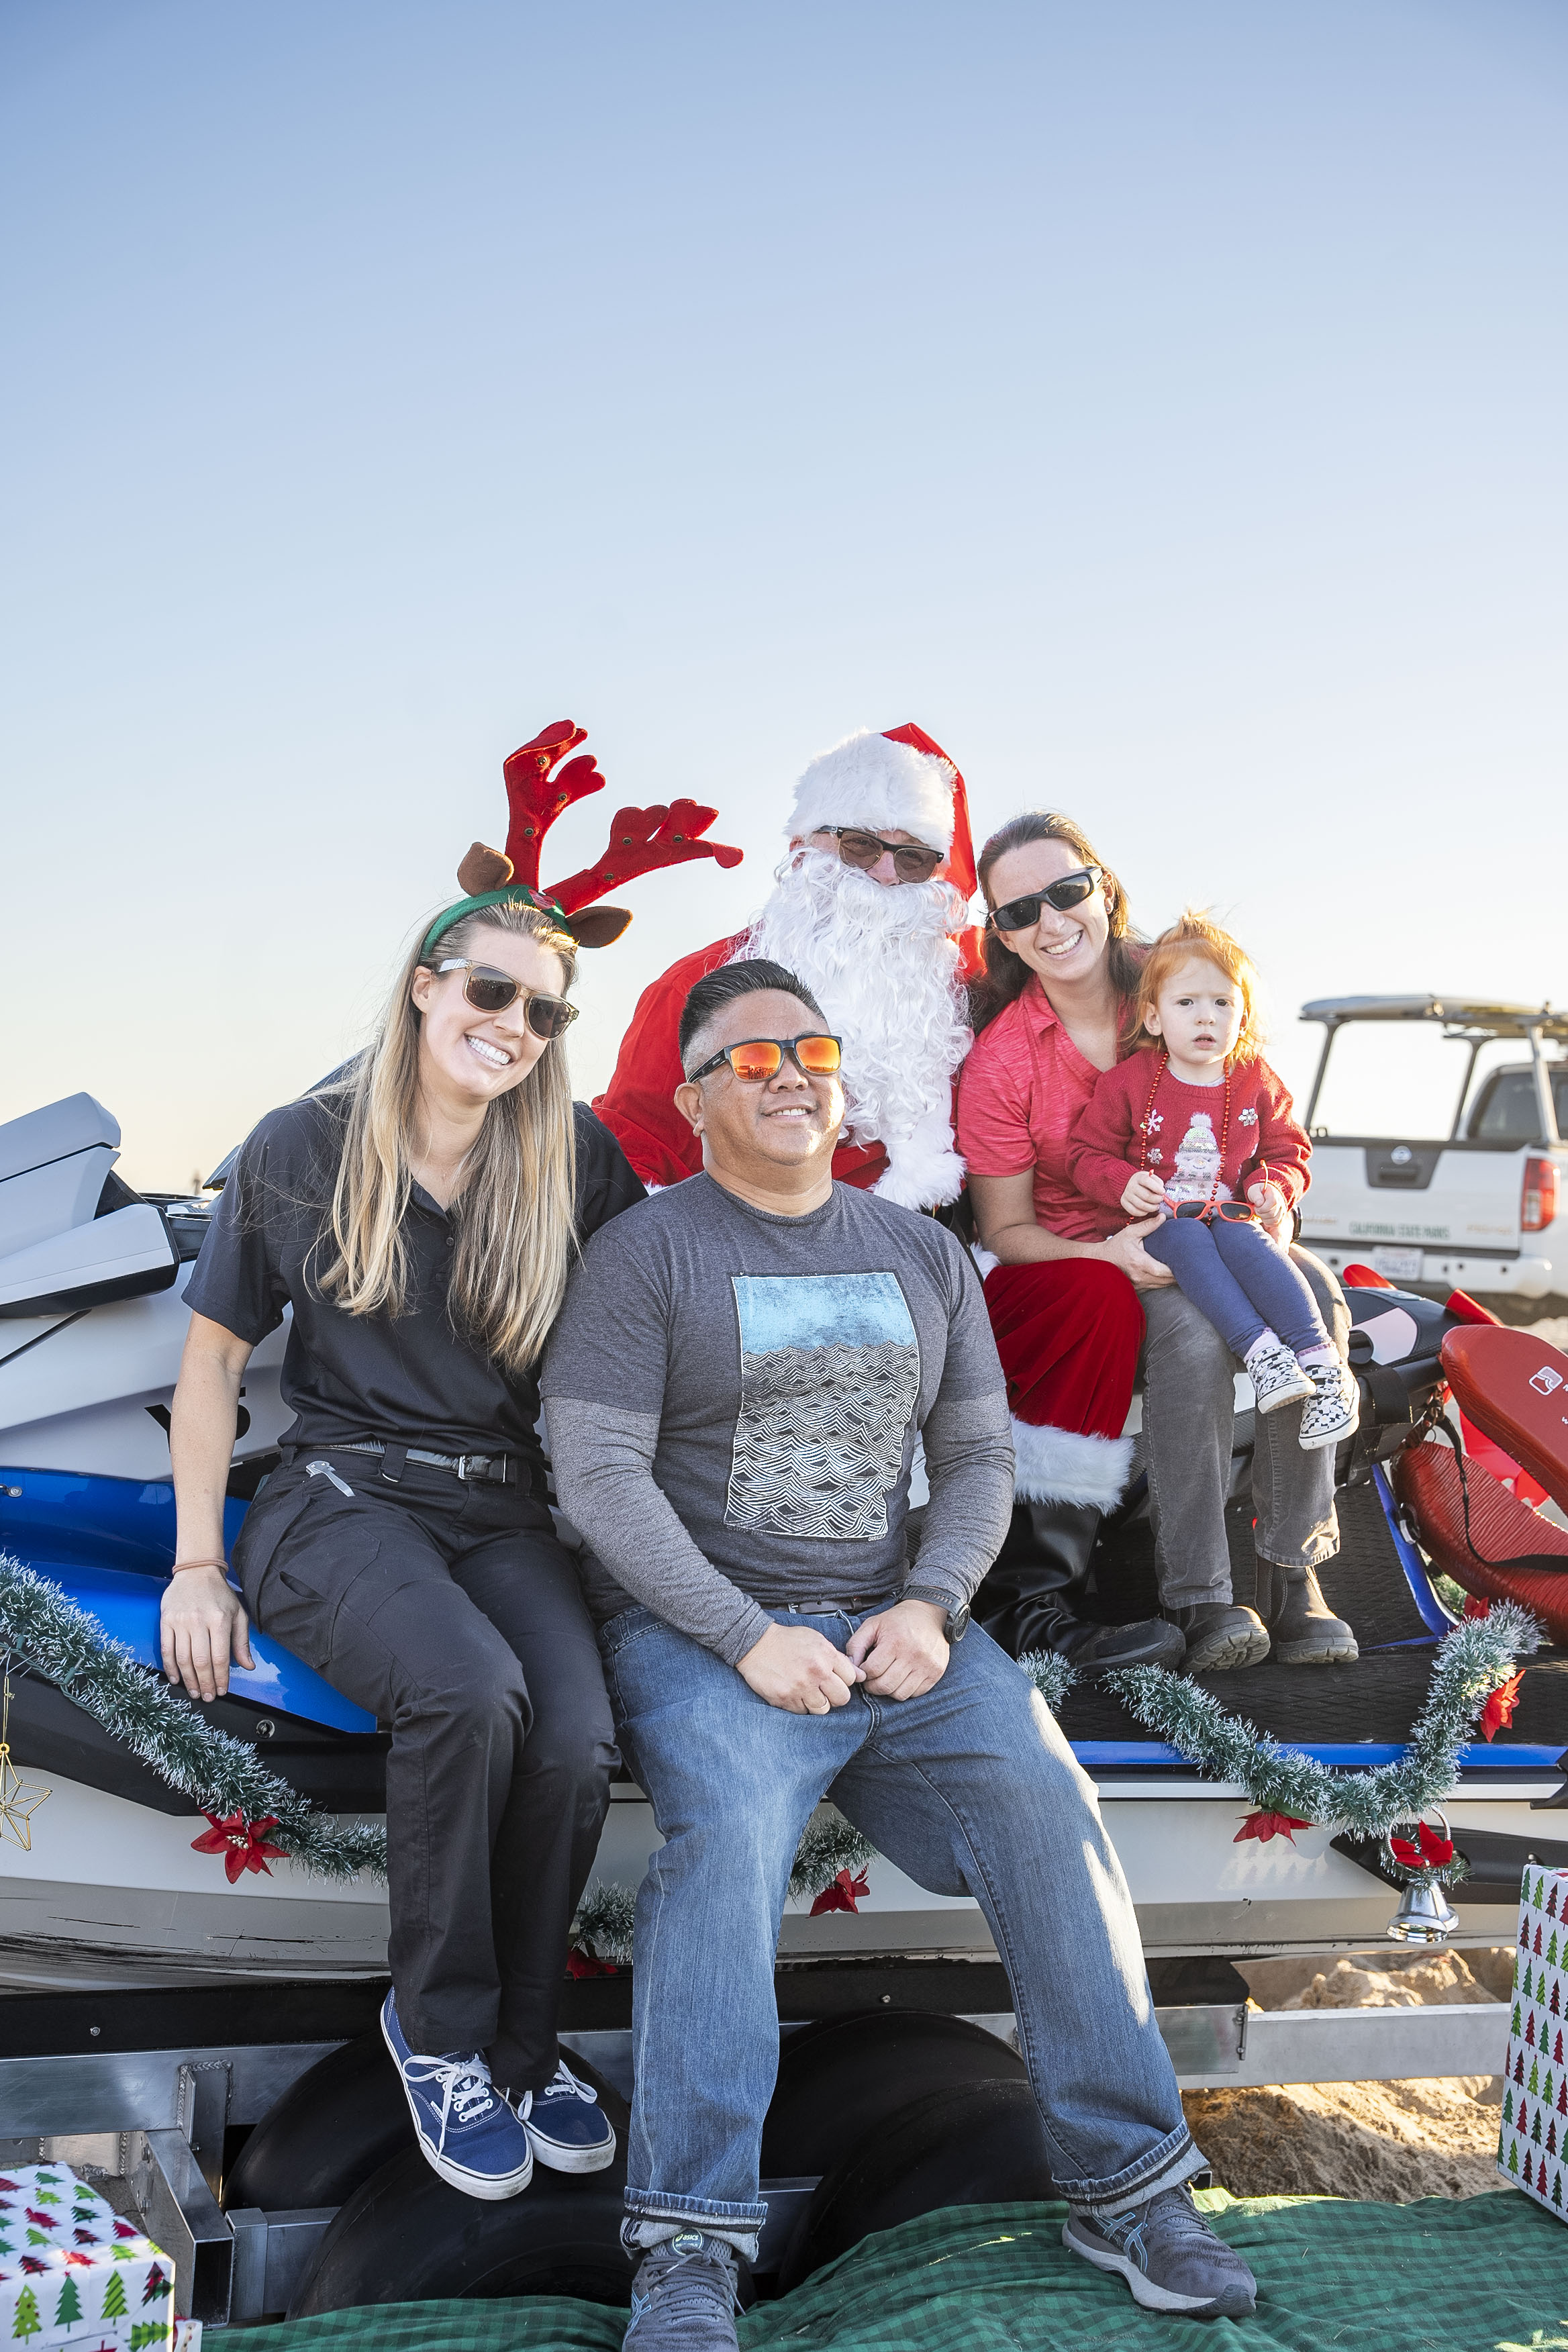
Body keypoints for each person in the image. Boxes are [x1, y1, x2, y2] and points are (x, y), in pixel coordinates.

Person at [542, 956, 1259, 2345]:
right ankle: (690, 2245)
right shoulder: (647, 1253)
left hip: (898, 1630)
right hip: (710, 1637)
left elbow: (978, 1457)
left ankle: (1128, 2187)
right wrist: (745, 1638)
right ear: (696, 1098)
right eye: (754, 1059)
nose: (794, 1074)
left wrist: (933, 1605)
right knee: (726, 1852)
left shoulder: (918, 1250)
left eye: (810, 1049)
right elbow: (599, 1481)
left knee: (1051, 1808)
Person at [162, 883, 644, 2202]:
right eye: (490, 990)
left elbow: (648, 1340)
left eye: (544, 1009)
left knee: (573, 1731)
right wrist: (197, 1562)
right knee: (465, 1688)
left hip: (503, 1506)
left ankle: (527, 2047)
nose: (513, 1024)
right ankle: (436, 2037)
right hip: (341, 1497)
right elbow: (210, 1370)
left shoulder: (575, 1159)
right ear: (427, 983)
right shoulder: (302, 1145)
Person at [957, 812, 1355, 1674]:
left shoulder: (1182, 976)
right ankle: (1202, 1594)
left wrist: (1276, 1196)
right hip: (1102, 1262)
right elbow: (1005, 1231)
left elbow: (1269, 1120)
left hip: (1220, 1226)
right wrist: (1107, 1259)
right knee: (1187, 1330)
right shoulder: (1003, 1063)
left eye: (1066, 892)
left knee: (1320, 1294)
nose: (1051, 922)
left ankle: (1296, 1572)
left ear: (1104, 889)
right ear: (1003, 937)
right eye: (1019, 912)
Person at [595, 723, 976, 1210]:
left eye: (915, 860)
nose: (885, 875)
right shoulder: (693, 987)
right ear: (801, 848)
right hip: (738, 1248)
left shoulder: (950, 990)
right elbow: (635, 1153)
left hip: (917, 1250)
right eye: (860, 845)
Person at [1069, 910, 1360, 1455]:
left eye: (1222, 1002)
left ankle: (1321, 1366)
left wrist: (1274, 1186)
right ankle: (1262, 1352)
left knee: (1246, 1239)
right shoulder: (1131, 1080)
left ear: (1242, 1015)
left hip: (1229, 1214)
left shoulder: (1253, 1077)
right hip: (1162, 1221)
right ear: (1154, 1018)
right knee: (1186, 1238)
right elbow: (1086, 1153)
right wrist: (1122, 1182)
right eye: (1187, 1003)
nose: (1207, 1017)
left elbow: (1288, 1149)